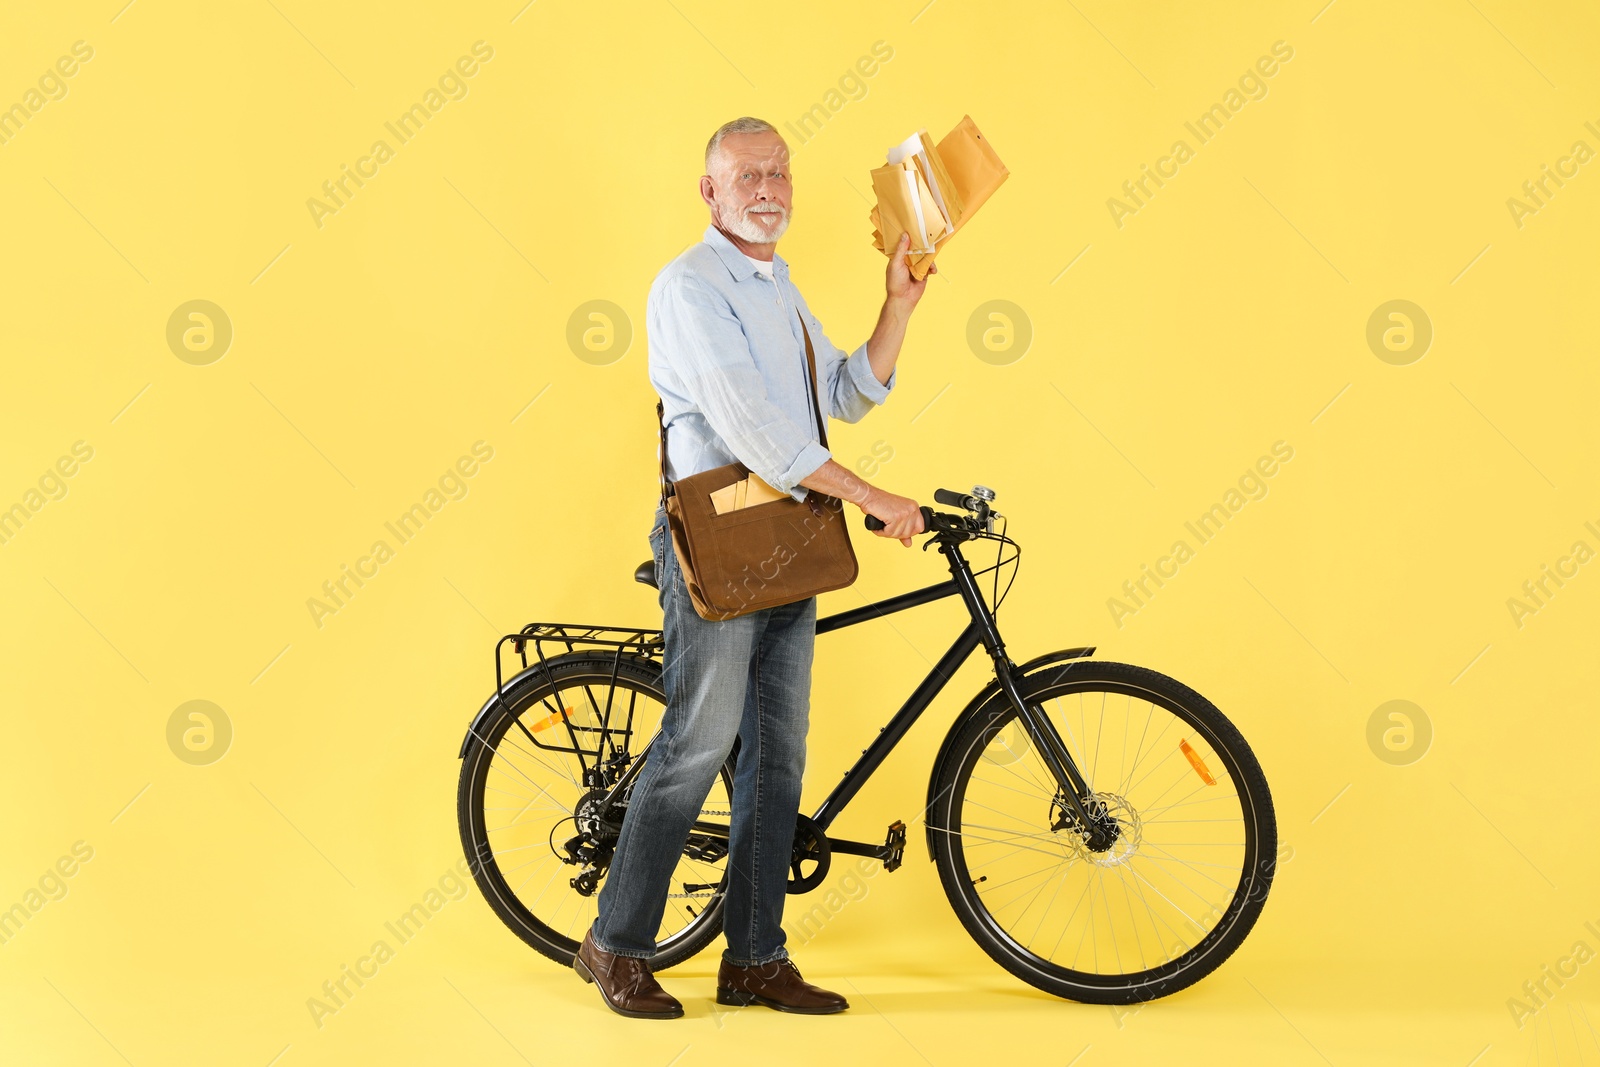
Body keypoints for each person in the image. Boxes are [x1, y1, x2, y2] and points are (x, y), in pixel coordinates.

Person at [574, 116, 932, 1019]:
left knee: (777, 759)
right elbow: (766, 439)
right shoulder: (690, 288)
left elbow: (841, 394)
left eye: (780, 173)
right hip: (720, 542)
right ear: (709, 191)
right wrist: (874, 497)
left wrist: (899, 306)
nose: (768, 188)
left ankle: (755, 958)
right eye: (748, 176)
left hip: (787, 540)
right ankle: (614, 944)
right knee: (698, 741)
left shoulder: (777, 286)